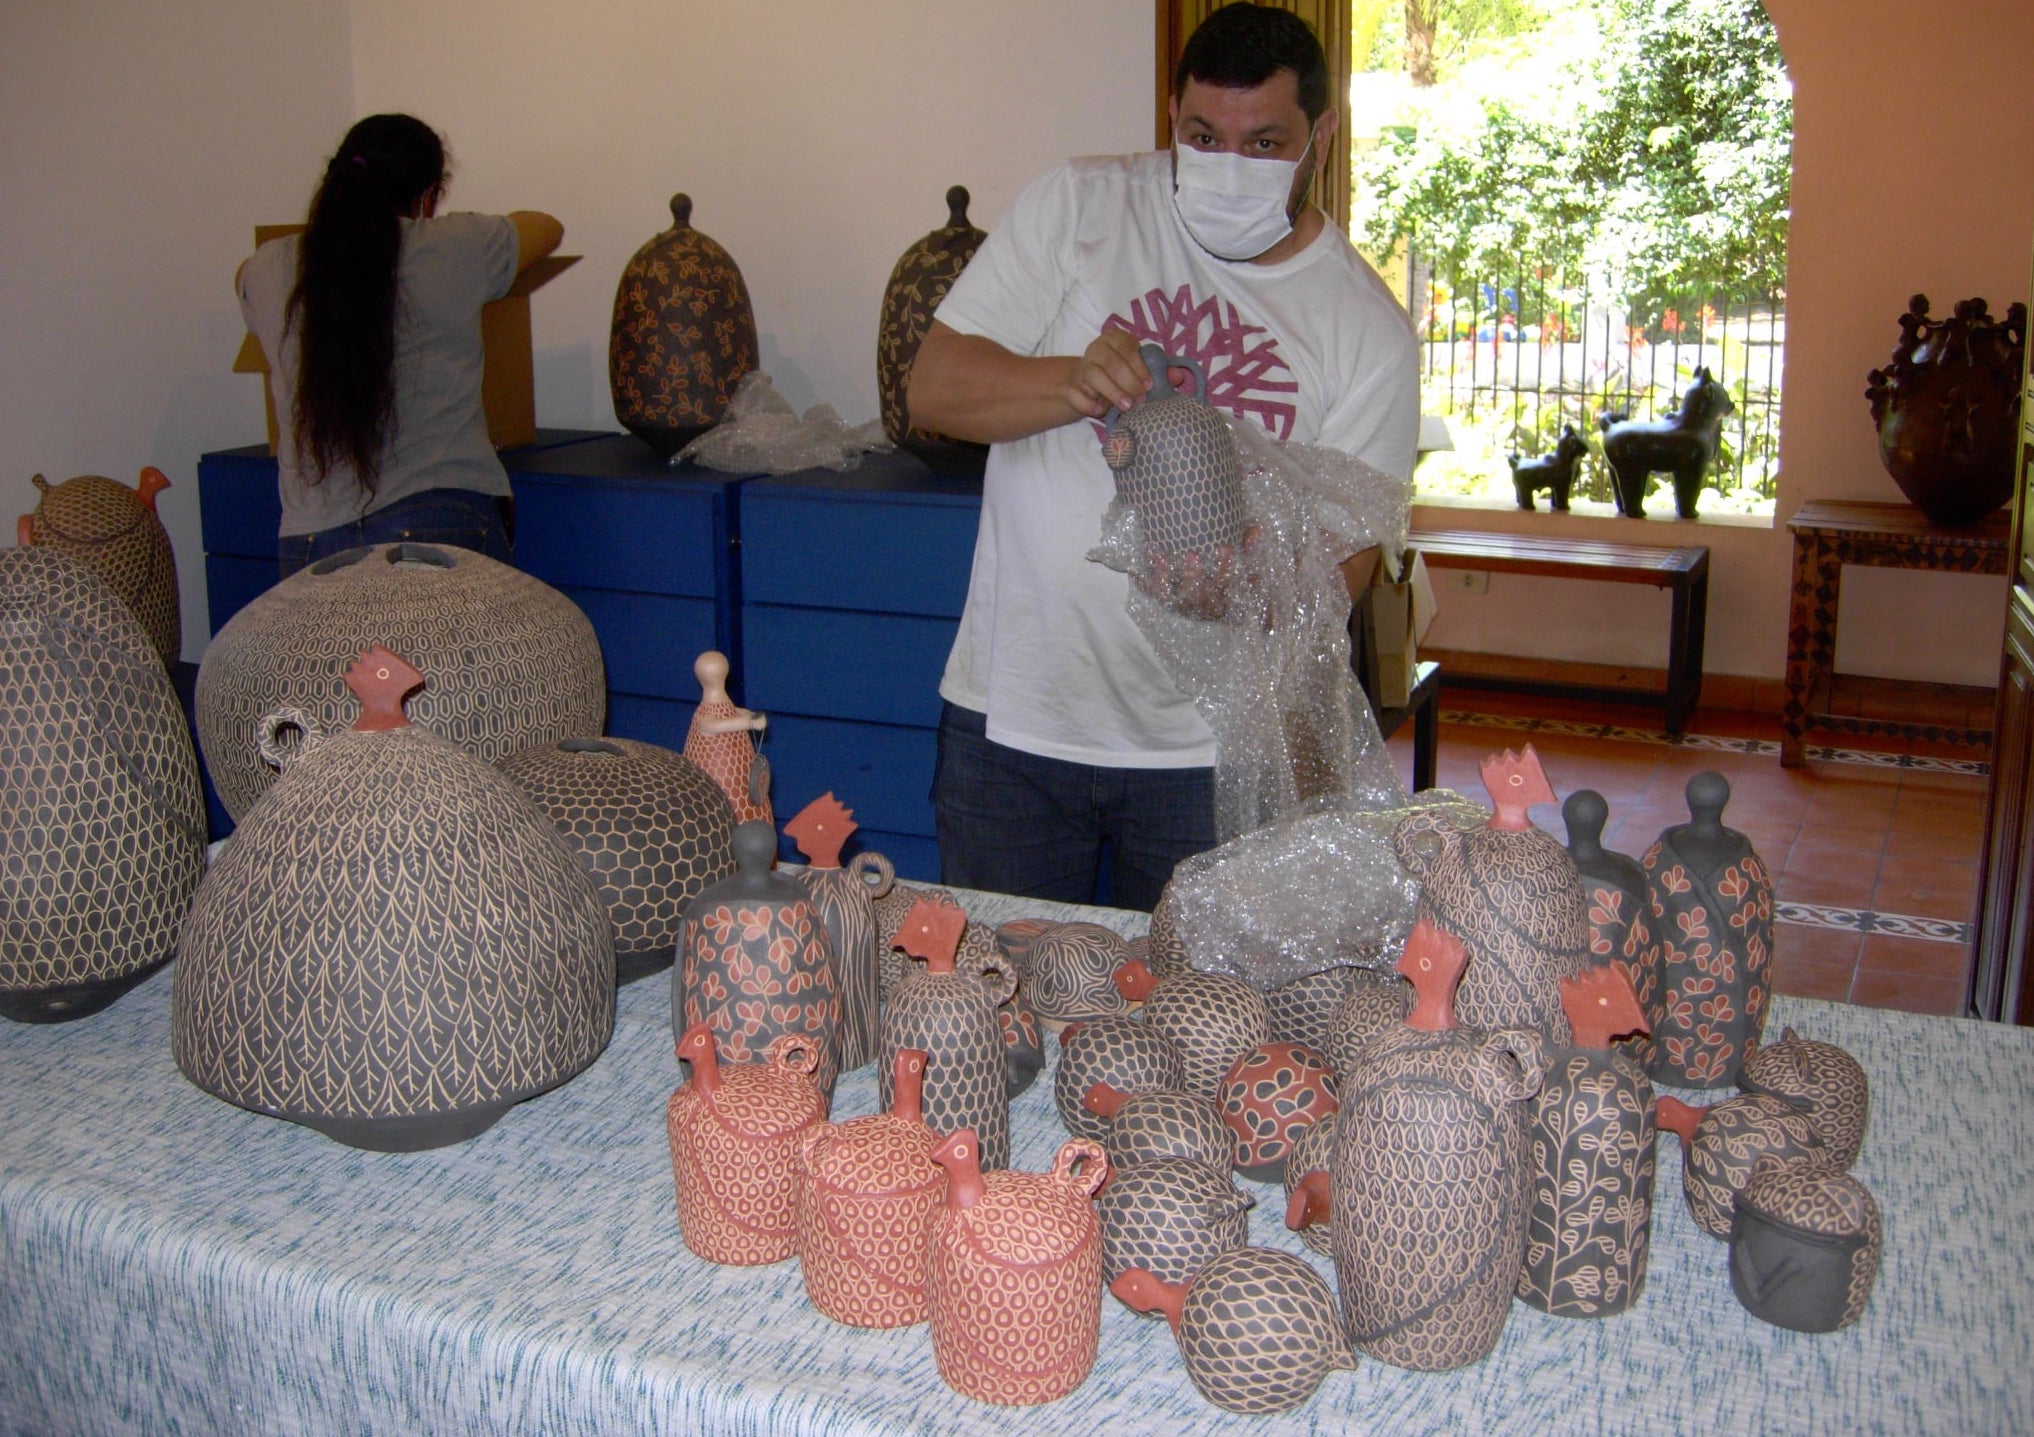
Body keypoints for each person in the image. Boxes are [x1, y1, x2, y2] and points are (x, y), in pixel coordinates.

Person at [907, 2, 1419, 911]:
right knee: (997, 1005)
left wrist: (1235, 588)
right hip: (1015, 721)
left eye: (1265, 143)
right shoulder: (1081, 206)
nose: (1230, 166)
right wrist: (1072, 380)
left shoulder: (1365, 329)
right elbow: (935, 391)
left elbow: (1341, 575)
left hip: (1211, 757)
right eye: (1202, 136)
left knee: (1194, 1031)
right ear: (1171, 117)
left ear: (1322, 136)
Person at [237, 113, 563, 576]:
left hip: (312, 546)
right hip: (440, 523)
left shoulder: (270, 267)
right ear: (427, 195)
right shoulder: (454, 247)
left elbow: (241, 280)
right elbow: (545, 227)